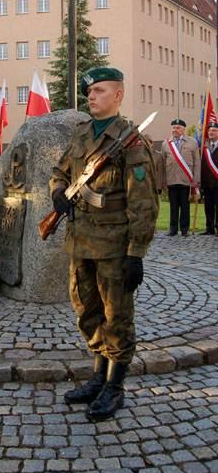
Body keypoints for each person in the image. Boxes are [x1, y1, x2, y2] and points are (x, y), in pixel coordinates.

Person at [49, 67, 158, 422]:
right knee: (87, 311)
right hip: (79, 243)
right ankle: (97, 376)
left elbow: (143, 204)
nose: (91, 97)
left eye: (98, 90)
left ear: (118, 95)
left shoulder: (130, 142)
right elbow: (61, 172)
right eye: (89, 92)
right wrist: (57, 195)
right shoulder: (81, 133)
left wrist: (136, 254)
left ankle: (115, 386)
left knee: (117, 318)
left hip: (113, 247)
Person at [161, 119, 200, 236]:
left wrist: (196, 179)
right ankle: (173, 229)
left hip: (186, 179)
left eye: (178, 128)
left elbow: (197, 162)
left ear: (183, 129)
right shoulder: (166, 143)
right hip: (171, 179)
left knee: (185, 206)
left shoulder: (192, 142)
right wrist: (163, 181)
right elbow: (163, 163)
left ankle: (184, 229)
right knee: (173, 206)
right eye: (173, 127)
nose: (175, 130)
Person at [200, 122, 218, 235]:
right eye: (209, 130)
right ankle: (209, 228)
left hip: (217, 183)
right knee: (208, 207)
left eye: (214, 130)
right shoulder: (204, 147)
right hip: (207, 184)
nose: (211, 132)